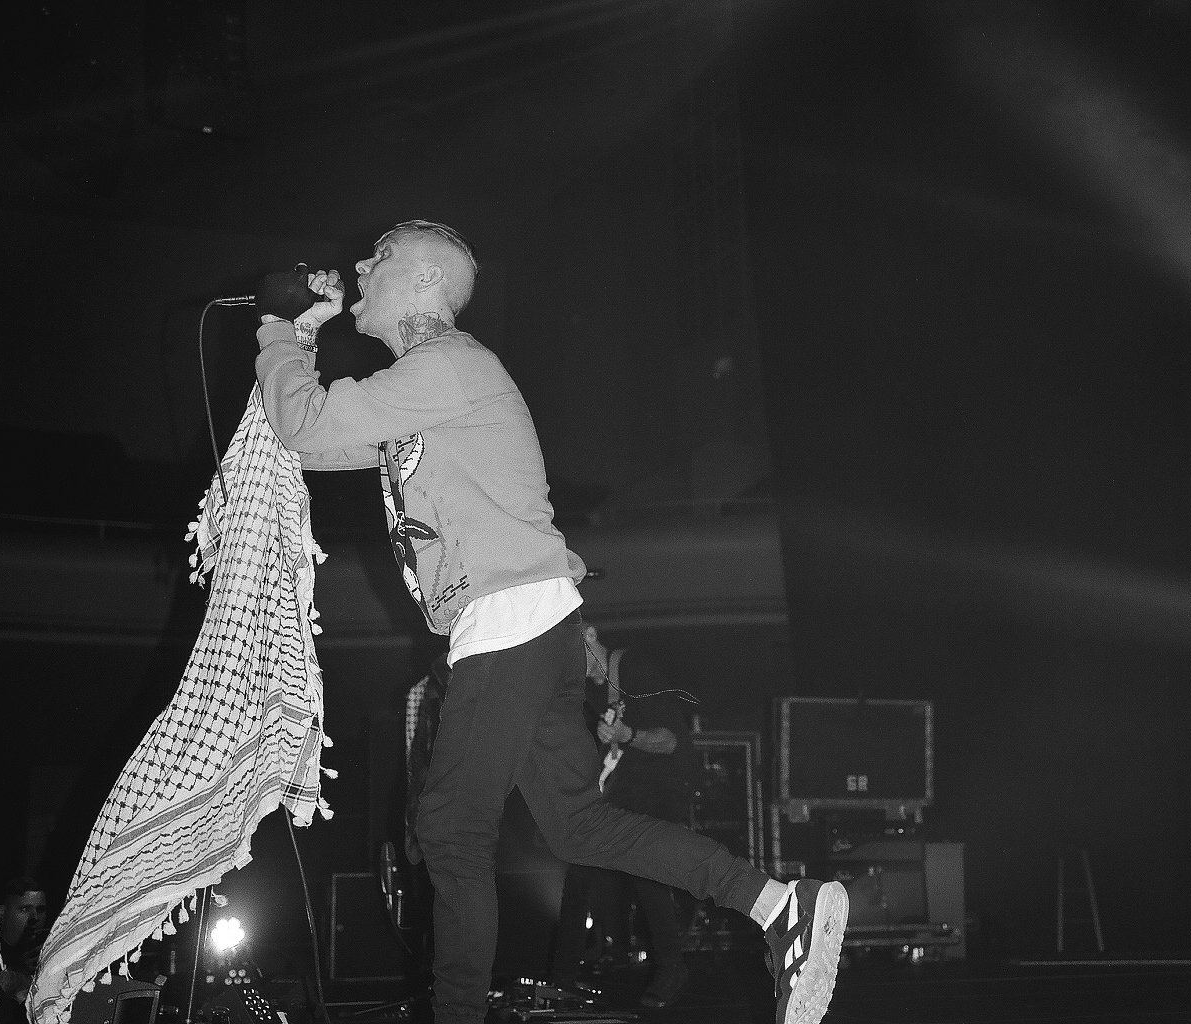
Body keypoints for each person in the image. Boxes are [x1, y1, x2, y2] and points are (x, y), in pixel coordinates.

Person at [252, 220, 848, 1024]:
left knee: (451, 831)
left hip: (508, 622)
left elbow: (307, 425)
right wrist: (303, 333)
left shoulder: (448, 366)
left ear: (428, 282)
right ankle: (781, 906)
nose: (359, 264)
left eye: (381, 257)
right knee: (578, 827)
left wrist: (278, 327)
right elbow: (318, 445)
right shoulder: (426, 390)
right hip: (526, 627)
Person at [551, 625, 697, 1008]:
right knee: (578, 865)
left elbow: (671, 741)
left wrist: (627, 735)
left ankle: (672, 968)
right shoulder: (588, 691)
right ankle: (561, 978)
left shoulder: (636, 670)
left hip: (660, 790)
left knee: (643, 869)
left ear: (590, 635)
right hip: (622, 792)